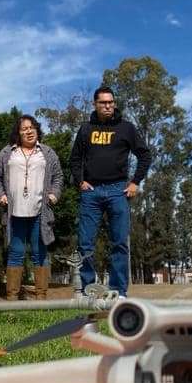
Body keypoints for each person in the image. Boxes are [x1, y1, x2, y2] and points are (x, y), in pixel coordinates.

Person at [70, 86, 152, 300]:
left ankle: (119, 291)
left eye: (110, 102)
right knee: (85, 243)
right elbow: (75, 159)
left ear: (114, 104)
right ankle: (89, 289)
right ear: (95, 105)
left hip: (118, 191)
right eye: (103, 102)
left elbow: (144, 155)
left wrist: (135, 182)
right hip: (91, 193)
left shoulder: (127, 128)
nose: (107, 106)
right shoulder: (86, 129)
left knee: (119, 243)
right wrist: (80, 181)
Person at [0, 115, 64, 300]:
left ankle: (41, 299)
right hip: (14, 213)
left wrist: (54, 194)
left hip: (40, 212)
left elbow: (58, 176)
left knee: (40, 253)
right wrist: (0, 195)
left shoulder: (47, 153)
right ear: (18, 133)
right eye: (24, 129)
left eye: (32, 128)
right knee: (16, 253)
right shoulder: (8, 153)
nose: (28, 131)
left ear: (37, 130)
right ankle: (12, 300)